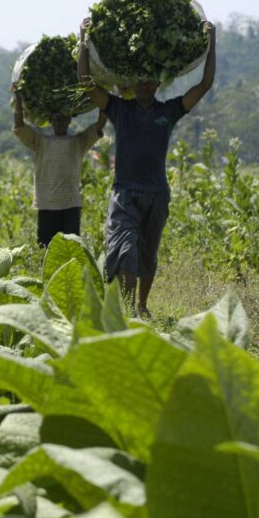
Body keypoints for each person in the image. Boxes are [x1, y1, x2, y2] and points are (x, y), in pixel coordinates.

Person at [77, 17, 216, 318]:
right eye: (139, 80)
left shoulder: (169, 111)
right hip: (125, 193)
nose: (144, 85)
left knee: (148, 255)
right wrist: (83, 40)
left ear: (156, 83)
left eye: (149, 80)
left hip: (156, 194)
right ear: (132, 83)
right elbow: (86, 84)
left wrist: (211, 42)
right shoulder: (119, 109)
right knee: (125, 251)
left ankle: (141, 305)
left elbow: (204, 84)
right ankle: (127, 314)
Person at [12, 84, 107, 247]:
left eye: (64, 118)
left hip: (71, 204)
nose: (61, 122)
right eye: (57, 118)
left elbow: (99, 124)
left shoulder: (79, 142)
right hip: (47, 203)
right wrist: (18, 101)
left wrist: (103, 96)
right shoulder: (40, 142)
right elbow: (20, 127)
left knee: (71, 249)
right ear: (50, 121)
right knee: (45, 248)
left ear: (70, 119)